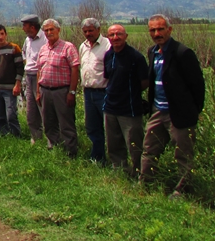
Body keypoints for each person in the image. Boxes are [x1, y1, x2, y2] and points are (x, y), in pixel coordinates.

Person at [140, 14, 205, 197]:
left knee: (183, 155)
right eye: (153, 30)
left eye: (160, 29)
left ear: (170, 29)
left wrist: (193, 111)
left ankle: (182, 191)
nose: (157, 33)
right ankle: (146, 186)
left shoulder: (182, 53)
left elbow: (197, 85)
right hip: (157, 111)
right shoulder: (152, 51)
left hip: (179, 114)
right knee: (149, 149)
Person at [103, 24, 148, 176]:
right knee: (113, 144)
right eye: (112, 35)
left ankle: (138, 173)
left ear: (126, 36)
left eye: (119, 34)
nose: (115, 37)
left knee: (134, 145)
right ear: (108, 38)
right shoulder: (109, 55)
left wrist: (129, 93)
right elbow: (109, 77)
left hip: (129, 108)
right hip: (110, 107)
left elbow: (144, 82)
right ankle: (120, 171)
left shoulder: (136, 57)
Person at [36, 19, 80, 157]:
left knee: (66, 123)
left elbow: (75, 69)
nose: (49, 33)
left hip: (62, 91)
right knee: (49, 123)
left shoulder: (68, 47)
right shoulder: (43, 49)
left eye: (51, 29)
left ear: (58, 30)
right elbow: (39, 70)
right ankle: (54, 149)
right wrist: (38, 91)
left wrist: (72, 92)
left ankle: (71, 152)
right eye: (46, 30)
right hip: (45, 90)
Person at [79, 18, 111, 163]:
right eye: (85, 31)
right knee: (92, 126)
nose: (88, 33)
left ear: (98, 29)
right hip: (88, 92)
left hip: (103, 92)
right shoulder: (83, 46)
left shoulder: (107, 46)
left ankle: (114, 159)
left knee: (109, 126)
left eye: (90, 30)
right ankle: (97, 157)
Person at [0, 24, 24, 137]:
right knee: (0, 115)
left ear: (6, 34)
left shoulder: (14, 48)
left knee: (11, 114)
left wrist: (17, 84)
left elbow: (20, 68)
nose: (1, 37)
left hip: (10, 88)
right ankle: (5, 135)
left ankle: (16, 135)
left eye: (2, 34)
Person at [21, 14, 47, 145]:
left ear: (32, 27)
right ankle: (36, 137)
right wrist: (27, 65)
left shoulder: (45, 38)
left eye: (24, 26)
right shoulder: (27, 40)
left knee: (43, 107)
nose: (22, 29)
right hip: (29, 74)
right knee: (31, 110)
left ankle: (51, 139)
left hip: (40, 75)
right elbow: (24, 53)